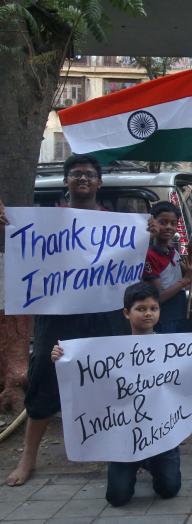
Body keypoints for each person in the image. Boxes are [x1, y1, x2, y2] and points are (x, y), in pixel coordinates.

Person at [5, 154, 139, 487]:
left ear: (99, 182)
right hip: (58, 318)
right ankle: (28, 458)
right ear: (67, 181)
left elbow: (136, 260)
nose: (83, 179)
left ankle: (122, 449)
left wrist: (147, 230)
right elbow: (21, 255)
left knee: (113, 381)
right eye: (76, 174)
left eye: (90, 175)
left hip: (105, 316)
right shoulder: (46, 220)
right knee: (44, 382)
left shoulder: (116, 224)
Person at [51, 282, 192, 506]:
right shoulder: (108, 350)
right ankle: (132, 463)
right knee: (117, 498)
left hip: (160, 434)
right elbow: (87, 373)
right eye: (141, 308)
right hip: (122, 435)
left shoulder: (170, 347)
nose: (148, 313)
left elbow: (189, 371)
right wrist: (61, 357)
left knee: (169, 489)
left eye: (154, 308)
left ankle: (151, 462)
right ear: (126, 313)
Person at [143, 201, 192, 333]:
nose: (169, 227)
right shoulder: (149, 255)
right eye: (163, 222)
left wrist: (190, 252)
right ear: (152, 223)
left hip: (178, 311)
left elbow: (190, 276)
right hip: (163, 317)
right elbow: (158, 297)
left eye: (173, 223)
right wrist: (184, 281)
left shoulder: (172, 251)